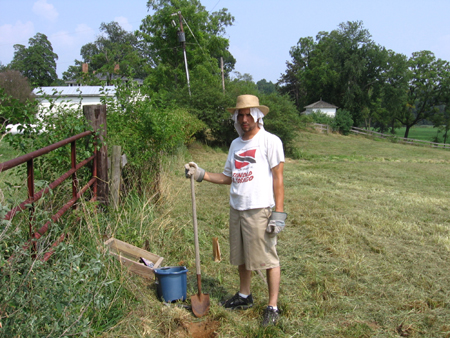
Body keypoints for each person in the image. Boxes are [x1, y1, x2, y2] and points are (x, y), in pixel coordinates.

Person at [185, 94, 286, 327]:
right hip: (237, 208)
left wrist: (278, 214)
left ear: (257, 116)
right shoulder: (235, 144)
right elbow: (228, 177)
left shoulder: (270, 141)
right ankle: (244, 296)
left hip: (259, 210)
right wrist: (200, 174)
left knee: (269, 258)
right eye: (239, 115)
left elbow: (279, 179)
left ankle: (272, 306)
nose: (243, 119)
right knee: (241, 257)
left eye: (248, 114)